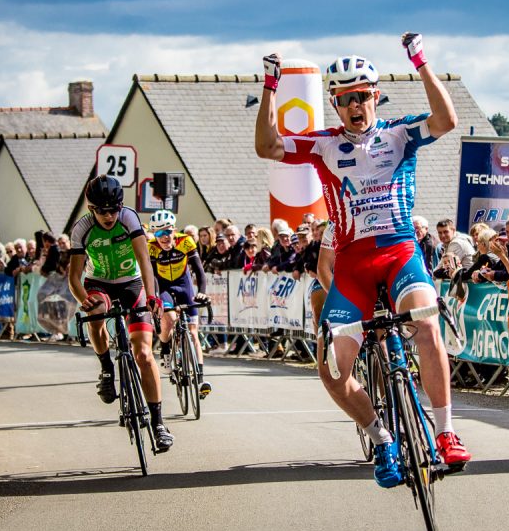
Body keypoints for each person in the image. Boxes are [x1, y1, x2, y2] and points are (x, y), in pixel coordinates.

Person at [254, 34, 471, 487]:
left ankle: (446, 431)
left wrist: (421, 63)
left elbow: (447, 120)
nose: (355, 106)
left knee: (427, 324)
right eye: (344, 99)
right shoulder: (323, 144)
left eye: (362, 96)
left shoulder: (399, 133)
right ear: (335, 104)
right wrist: (271, 88)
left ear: (375, 96)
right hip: (352, 265)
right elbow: (268, 147)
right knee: (332, 370)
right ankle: (382, 438)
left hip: (400, 253)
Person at [67, 175, 173, 453]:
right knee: (97, 310)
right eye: (102, 211)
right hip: (98, 283)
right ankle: (105, 368)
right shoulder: (82, 229)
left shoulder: (129, 219)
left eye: (113, 209)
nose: (109, 216)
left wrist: (151, 295)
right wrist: (83, 300)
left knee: (144, 355)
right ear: (92, 209)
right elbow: (74, 278)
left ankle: (159, 423)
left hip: (131, 282)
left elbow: (144, 261)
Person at [146, 209, 212, 398]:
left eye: (167, 231)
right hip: (163, 285)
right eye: (159, 233)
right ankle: (165, 348)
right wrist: (157, 298)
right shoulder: (151, 247)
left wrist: (202, 293)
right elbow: (152, 278)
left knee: (192, 333)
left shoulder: (186, 242)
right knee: (169, 319)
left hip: (184, 285)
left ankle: (200, 381)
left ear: (174, 230)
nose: (164, 237)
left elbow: (199, 271)